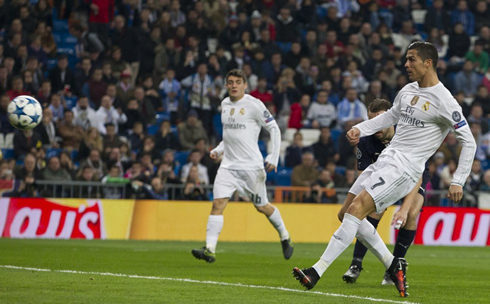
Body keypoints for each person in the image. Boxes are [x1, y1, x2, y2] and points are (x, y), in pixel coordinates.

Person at [292, 42, 476, 298]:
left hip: (404, 168)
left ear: (428, 62)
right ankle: (393, 265)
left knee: (356, 212)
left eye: (411, 59)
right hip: (386, 159)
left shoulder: (445, 102)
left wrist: (458, 180)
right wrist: (361, 128)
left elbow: (469, 141)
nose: (406, 64)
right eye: (406, 59)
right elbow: (390, 116)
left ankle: (316, 271)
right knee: (345, 213)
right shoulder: (408, 90)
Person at [192, 69, 293, 263]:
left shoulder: (254, 105)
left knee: (262, 207)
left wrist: (273, 156)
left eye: (238, 82)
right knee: (218, 204)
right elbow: (229, 135)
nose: (234, 85)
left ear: (245, 85)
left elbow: (274, 128)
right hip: (228, 166)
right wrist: (219, 149)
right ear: (226, 85)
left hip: (251, 167)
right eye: (230, 82)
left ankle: (285, 236)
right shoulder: (224, 104)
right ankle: (209, 249)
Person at [340, 98, 430, 286]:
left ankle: (395, 267)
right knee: (372, 210)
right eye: (372, 122)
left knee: (412, 213)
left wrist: (403, 209)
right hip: (383, 177)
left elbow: (419, 174)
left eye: (379, 121)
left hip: (413, 175)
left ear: (391, 117)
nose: (376, 128)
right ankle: (356, 264)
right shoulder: (366, 142)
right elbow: (363, 178)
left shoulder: (407, 134)